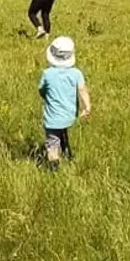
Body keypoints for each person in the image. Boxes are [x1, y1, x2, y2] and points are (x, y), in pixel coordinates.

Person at [38, 36, 90, 171]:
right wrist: (87, 106)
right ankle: (67, 152)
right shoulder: (76, 73)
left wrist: (46, 96)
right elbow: (82, 90)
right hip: (69, 115)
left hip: (52, 118)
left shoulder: (47, 74)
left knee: (52, 142)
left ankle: (53, 167)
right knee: (63, 130)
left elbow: (42, 90)